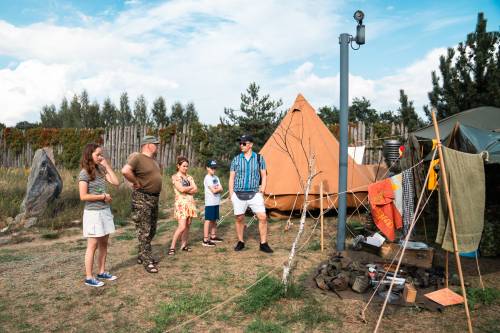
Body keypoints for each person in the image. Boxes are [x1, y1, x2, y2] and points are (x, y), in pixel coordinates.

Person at [79, 143, 120, 287]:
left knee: (104, 243)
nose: (100, 157)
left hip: (104, 211)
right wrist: (102, 196)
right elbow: (83, 196)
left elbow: (116, 182)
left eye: (101, 154)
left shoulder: (101, 170)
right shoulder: (84, 173)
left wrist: (107, 165)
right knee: (93, 245)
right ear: (89, 155)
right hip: (93, 213)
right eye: (98, 154)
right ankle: (89, 277)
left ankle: (101, 272)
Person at [121, 136, 162, 273]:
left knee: (152, 230)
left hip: (154, 199)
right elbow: (125, 171)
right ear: (148, 145)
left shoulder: (153, 161)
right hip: (142, 198)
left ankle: (142, 255)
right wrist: (136, 182)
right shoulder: (138, 157)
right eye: (156, 144)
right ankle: (147, 260)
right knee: (144, 231)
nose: (157, 146)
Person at [229, 134, 273, 253]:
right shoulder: (236, 159)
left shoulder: (259, 158)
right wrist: (231, 193)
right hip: (238, 193)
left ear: (251, 145)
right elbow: (231, 178)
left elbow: (264, 175)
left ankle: (263, 243)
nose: (241, 145)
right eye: (240, 143)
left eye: (244, 143)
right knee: (239, 218)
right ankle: (240, 241)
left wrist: (262, 190)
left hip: (255, 193)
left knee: (263, 217)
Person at [168, 156, 198, 255]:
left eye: (187, 166)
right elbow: (181, 189)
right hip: (181, 204)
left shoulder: (189, 177)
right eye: (184, 166)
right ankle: (172, 247)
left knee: (188, 225)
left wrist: (187, 189)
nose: (186, 168)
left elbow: (196, 189)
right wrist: (190, 188)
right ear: (178, 166)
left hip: (190, 203)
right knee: (181, 226)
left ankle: (184, 245)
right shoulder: (175, 177)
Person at [202, 160, 223, 247]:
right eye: (211, 168)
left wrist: (217, 189)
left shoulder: (216, 178)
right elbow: (214, 190)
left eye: (215, 168)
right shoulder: (207, 178)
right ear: (207, 168)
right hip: (210, 202)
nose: (213, 169)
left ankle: (213, 236)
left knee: (214, 219)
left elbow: (221, 188)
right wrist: (218, 189)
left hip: (216, 201)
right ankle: (205, 239)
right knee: (208, 220)